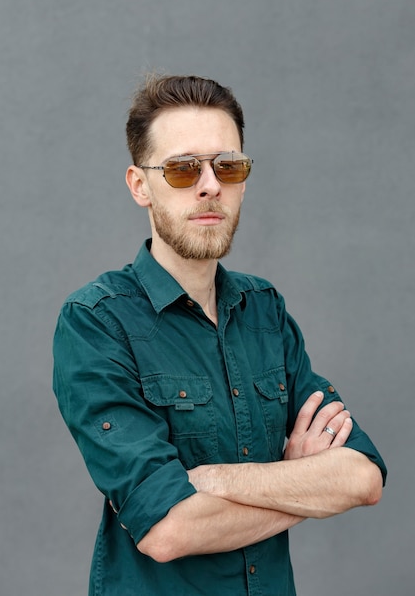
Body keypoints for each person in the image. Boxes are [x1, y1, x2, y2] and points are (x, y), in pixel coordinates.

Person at [53, 74, 387, 596]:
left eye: (227, 166)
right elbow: (167, 529)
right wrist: (298, 481)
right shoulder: (96, 321)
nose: (211, 185)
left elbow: (363, 477)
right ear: (140, 185)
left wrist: (214, 480)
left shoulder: (265, 311)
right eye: (183, 169)